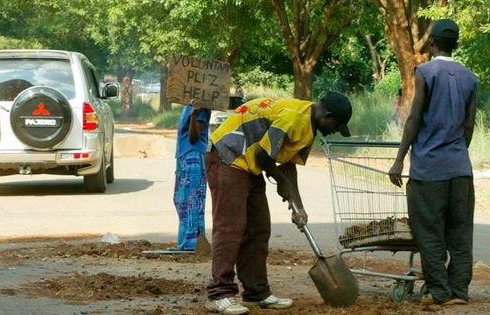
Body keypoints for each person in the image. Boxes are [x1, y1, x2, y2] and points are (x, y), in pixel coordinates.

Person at [205, 92, 352, 314]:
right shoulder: (293, 117)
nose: (334, 130)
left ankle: (257, 292)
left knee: (258, 228)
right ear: (327, 115)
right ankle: (220, 294)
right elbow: (264, 155)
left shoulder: (309, 126)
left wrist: (298, 206)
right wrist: (282, 183)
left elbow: (288, 166)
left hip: (249, 163)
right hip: (228, 156)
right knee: (231, 227)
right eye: (336, 125)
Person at [388, 19, 478, 306]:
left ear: (431, 43)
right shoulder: (470, 78)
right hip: (461, 170)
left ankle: (439, 291)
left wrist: (399, 159)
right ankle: (459, 291)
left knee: (429, 231)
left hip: (429, 171)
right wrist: (455, 155)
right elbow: (468, 126)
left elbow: (414, 118)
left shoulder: (426, 72)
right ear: (457, 43)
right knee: (460, 233)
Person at [172, 98, 211, 251]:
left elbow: (193, 138)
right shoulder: (190, 104)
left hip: (193, 155)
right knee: (182, 199)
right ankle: (186, 241)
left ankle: (192, 242)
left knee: (191, 200)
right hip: (185, 155)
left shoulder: (200, 106)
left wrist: (194, 115)